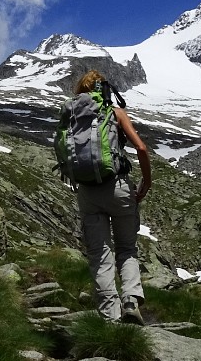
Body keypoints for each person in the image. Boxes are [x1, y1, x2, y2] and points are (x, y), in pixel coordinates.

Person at [64, 70, 153, 324]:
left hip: (87, 192)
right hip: (119, 187)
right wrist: (146, 181)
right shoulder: (115, 113)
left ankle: (109, 319)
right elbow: (142, 148)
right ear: (104, 90)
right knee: (126, 248)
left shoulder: (72, 117)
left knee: (99, 254)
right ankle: (131, 302)